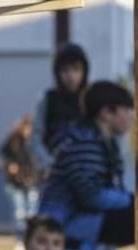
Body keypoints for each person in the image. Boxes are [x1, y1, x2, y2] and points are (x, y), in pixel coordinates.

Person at [38, 81, 135, 250]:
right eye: (127, 110)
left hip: (82, 218)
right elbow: (91, 196)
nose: (131, 116)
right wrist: (132, 200)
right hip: (65, 224)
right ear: (106, 113)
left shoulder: (103, 141)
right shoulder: (84, 142)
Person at [30, 43, 90, 176]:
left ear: (84, 71)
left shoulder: (92, 100)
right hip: (55, 177)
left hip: (88, 177)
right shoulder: (47, 100)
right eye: (65, 70)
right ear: (58, 73)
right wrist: (48, 164)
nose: (71, 76)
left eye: (76, 69)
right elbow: (35, 137)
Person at [0, 115, 41, 237]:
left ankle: (31, 238)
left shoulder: (36, 143)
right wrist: (10, 165)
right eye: (27, 128)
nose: (29, 131)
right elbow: (4, 155)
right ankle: (20, 239)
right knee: (20, 213)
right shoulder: (13, 141)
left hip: (32, 181)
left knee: (33, 213)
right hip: (15, 182)